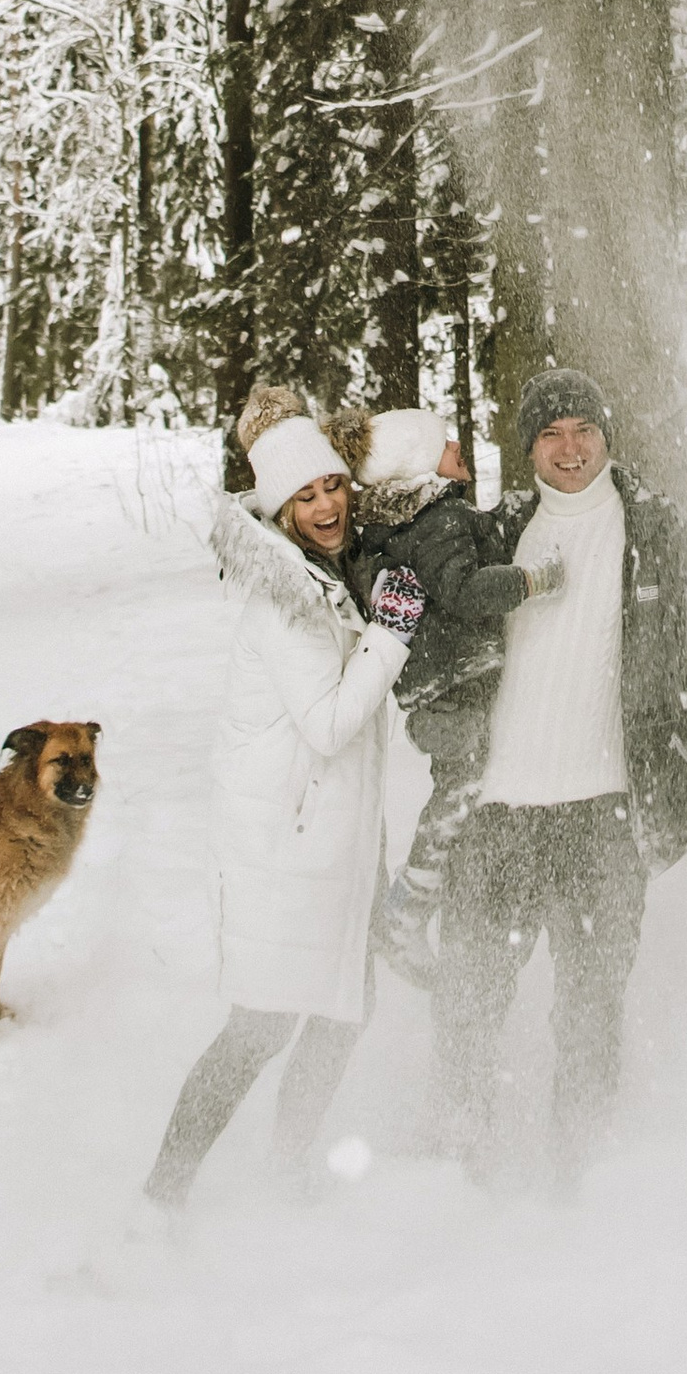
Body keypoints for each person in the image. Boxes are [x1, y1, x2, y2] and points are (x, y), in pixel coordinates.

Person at [433, 366, 687, 1184]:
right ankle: (455, 1168)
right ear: (529, 446)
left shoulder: (662, 535)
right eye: (550, 433)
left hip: (603, 816)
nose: (569, 448)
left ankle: (579, 1176)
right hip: (496, 812)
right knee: (468, 1000)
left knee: (589, 1009)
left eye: (583, 430)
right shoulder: (493, 535)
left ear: (607, 436)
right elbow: (436, 659)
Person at [144, 389, 424, 1205]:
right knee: (259, 1029)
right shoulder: (289, 604)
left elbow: (413, 448)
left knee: (344, 1011)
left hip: (329, 845)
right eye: (306, 495)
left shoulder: (325, 574)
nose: (327, 503)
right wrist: (393, 632)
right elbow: (331, 723)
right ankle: (161, 1197)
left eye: (333, 484)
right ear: (280, 509)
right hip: (286, 854)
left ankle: (287, 1165)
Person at [349, 402, 563, 986]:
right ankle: (407, 908)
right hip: (452, 691)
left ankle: (419, 903)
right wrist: (532, 580)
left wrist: (517, 516)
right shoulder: (437, 522)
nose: (457, 449)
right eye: (444, 445)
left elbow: (482, 540)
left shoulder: (415, 522)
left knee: (469, 780)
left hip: (442, 689)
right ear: (420, 466)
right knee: (463, 786)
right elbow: (465, 588)